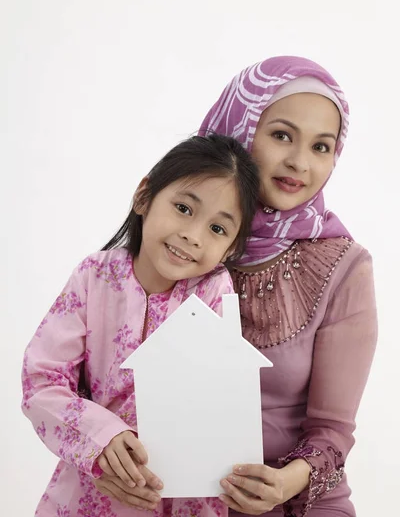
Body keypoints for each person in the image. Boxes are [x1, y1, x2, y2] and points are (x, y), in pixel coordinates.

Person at [94, 56, 377, 517]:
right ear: (238, 128)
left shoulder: (344, 266)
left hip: (296, 504)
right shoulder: (174, 244)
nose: (299, 162)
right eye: (282, 135)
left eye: (322, 147)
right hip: (164, 498)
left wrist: (286, 482)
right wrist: (99, 454)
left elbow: (331, 430)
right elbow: (93, 385)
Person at [21, 133, 260, 517]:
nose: (192, 235)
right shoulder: (94, 276)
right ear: (144, 195)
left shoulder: (215, 292)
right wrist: (100, 438)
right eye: (184, 208)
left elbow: (217, 404)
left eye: (218, 229)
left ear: (230, 247)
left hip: (181, 497)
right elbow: (42, 380)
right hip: (88, 487)